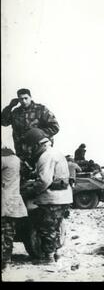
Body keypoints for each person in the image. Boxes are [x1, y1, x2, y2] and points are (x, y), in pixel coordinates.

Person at [20, 128, 73, 264]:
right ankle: (55, 254)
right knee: (54, 227)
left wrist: (29, 191)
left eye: (30, 146)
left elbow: (44, 181)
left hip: (52, 199)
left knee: (47, 228)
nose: (29, 150)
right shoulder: (54, 153)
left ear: (37, 144)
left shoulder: (46, 156)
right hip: (62, 197)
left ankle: (49, 258)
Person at [1, 88, 60, 160]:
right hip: (22, 152)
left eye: (26, 98)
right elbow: (3, 122)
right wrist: (10, 106)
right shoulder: (15, 112)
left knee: (43, 169)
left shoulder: (41, 109)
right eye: (21, 99)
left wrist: (38, 134)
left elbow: (55, 127)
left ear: (30, 97)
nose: (24, 101)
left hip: (39, 150)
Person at [1, 143, 28, 270]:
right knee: (9, 232)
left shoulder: (3, 159)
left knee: (4, 232)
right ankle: (6, 260)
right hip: (13, 201)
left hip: (4, 201)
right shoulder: (16, 159)